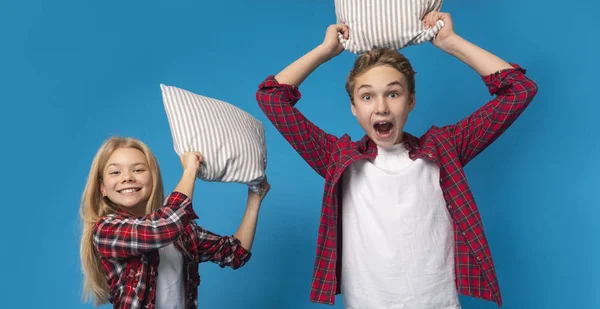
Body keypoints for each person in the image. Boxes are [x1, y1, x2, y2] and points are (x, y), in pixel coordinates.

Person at [255, 11, 538, 309]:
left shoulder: (444, 149)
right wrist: (325, 52)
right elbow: (271, 98)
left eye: (393, 94)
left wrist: (452, 43)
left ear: (411, 101)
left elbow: (519, 90)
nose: (381, 108)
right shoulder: (338, 159)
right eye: (367, 97)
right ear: (353, 107)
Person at [79, 136, 270, 309]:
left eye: (138, 169)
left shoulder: (184, 231)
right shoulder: (106, 229)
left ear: (153, 179)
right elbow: (164, 228)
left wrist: (254, 199)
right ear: (102, 188)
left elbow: (236, 253)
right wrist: (189, 171)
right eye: (115, 172)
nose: (127, 177)